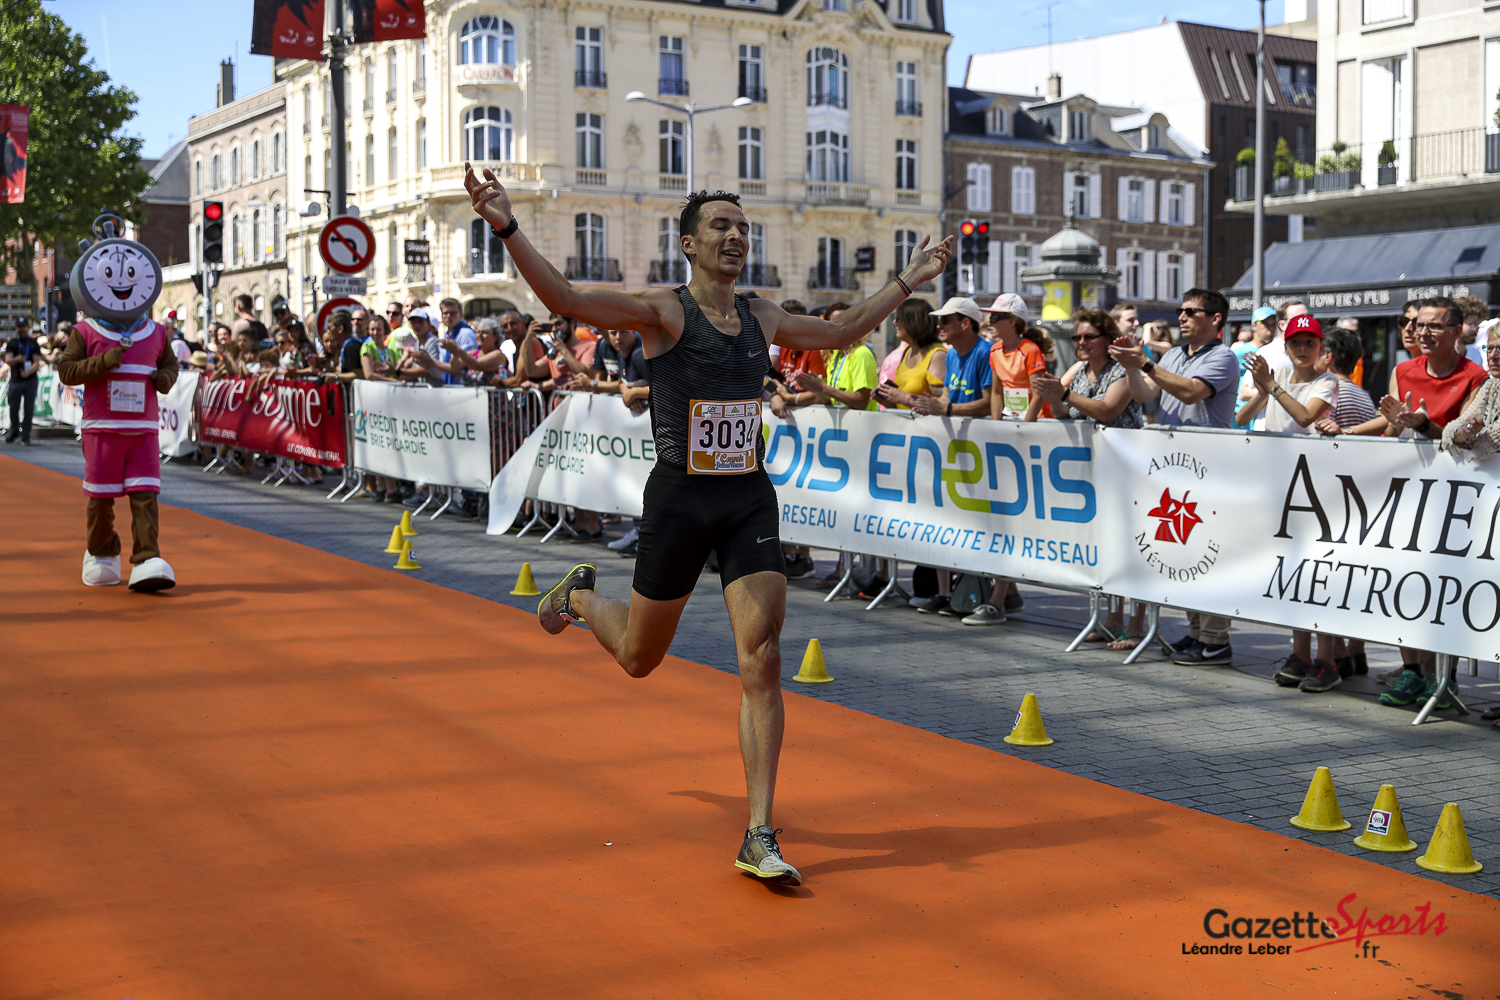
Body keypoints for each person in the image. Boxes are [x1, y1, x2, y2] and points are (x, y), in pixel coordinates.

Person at [468, 164, 952, 887]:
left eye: (742, 228)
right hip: (680, 500)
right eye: (720, 226)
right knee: (639, 656)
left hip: (747, 499)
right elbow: (564, 297)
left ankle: (759, 832)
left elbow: (846, 326)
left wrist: (908, 279)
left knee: (760, 657)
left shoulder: (760, 315)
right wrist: (506, 225)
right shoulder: (663, 312)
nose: (735, 236)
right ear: (688, 245)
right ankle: (575, 599)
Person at [1112, 288, 1240, 665]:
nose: (1182, 317)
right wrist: (1135, 366)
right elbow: (1143, 394)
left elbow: (1190, 393)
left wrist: (1147, 363)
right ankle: (1197, 630)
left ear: (1215, 319)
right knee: (1184, 550)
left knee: (1209, 555)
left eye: (1191, 312)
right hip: (1175, 468)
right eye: (1180, 311)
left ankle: (1217, 638)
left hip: (1208, 469)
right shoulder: (1175, 355)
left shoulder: (1224, 357)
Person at [1237, 315, 1343, 693]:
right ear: (1286, 346)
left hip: (1318, 489)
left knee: (1321, 571)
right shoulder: (1278, 379)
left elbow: (1304, 416)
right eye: (1295, 342)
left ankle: (1326, 658)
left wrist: (1271, 387)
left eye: (1309, 343)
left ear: (1320, 349)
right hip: (1283, 484)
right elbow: (1241, 417)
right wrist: (1264, 390)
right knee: (1294, 571)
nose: (1301, 348)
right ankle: (1300, 653)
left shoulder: (1326, 381)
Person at [1032, 308, 1147, 645]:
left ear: (1108, 340)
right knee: (1108, 547)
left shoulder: (1121, 371)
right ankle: (1111, 618)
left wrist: (1063, 394)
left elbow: (1109, 410)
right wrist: (1054, 397)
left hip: (1127, 470)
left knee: (1131, 549)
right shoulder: (1078, 369)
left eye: (1088, 337)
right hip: (1094, 471)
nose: (1081, 343)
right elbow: (1064, 410)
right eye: (1077, 337)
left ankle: (1137, 624)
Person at [984, 292, 1048, 422]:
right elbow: (996, 393)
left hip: (1038, 422)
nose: (989, 323)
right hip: (1013, 421)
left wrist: (1024, 428)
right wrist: (995, 426)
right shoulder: (994, 350)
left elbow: (1038, 396)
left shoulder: (1030, 350)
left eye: (994, 318)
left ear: (1012, 321)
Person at [871, 298, 944, 411]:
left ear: (913, 322)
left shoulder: (937, 355)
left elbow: (942, 405)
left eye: (899, 318)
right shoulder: (907, 353)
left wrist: (904, 398)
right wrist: (887, 399)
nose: (894, 322)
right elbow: (900, 405)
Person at [4, 316, 43, 445]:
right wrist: (17, 359)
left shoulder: (33, 343)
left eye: (24, 326)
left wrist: (28, 372)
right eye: (19, 326)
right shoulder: (12, 343)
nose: (22, 329)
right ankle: (14, 430)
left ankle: (26, 435)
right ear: (17, 328)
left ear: (27, 327)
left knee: (29, 408)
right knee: (13, 407)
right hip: (16, 379)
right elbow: (8, 360)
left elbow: (37, 362)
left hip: (30, 380)